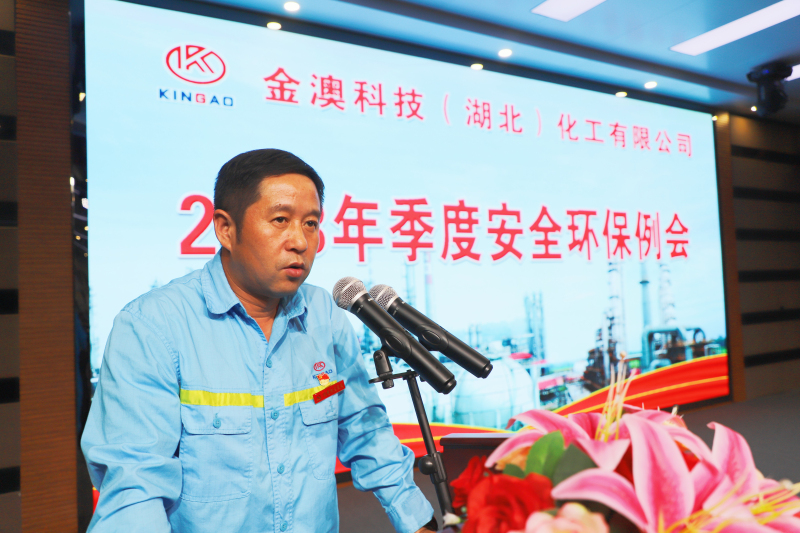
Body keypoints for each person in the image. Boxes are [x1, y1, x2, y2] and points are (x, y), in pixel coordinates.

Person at [81, 149, 437, 533]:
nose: (300, 241)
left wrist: (420, 522)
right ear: (225, 229)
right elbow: (135, 489)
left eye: (311, 223)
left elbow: (365, 430)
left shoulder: (325, 316)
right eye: (280, 220)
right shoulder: (153, 327)